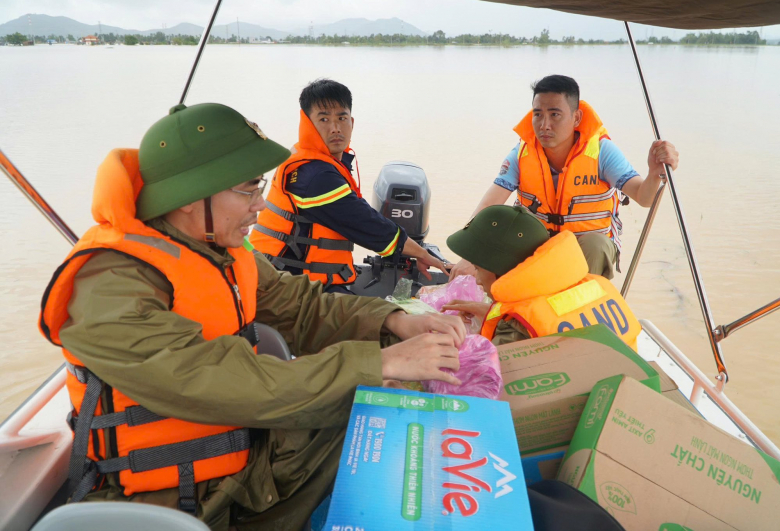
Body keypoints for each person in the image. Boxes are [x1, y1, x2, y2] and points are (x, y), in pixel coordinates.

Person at [39, 102, 466, 531]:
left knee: (388, 407)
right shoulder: (110, 287)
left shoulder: (219, 248)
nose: (261, 205)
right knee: (376, 390)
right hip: (176, 502)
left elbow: (300, 305)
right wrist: (380, 363)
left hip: (244, 459)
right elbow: (220, 380)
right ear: (191, 197)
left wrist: (392, 320)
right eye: (247, 190)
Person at [450, 74, 679, 280]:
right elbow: (490, 204)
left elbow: (643, 197)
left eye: (555, 115)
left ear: (576, 118)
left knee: (595, 242)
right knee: (502, 237)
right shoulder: (522, 154)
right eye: (537, 114)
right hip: (537, 246)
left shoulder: (602, 152)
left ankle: (582, 314)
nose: (544, 125)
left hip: (587, 250)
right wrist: (470, 256)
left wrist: (653, 172)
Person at [249, 79, 449, 294]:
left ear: (351, 122)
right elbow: (366, 225)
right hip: (282, 287)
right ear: (307, 123)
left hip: (297, 281)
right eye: (324, 119)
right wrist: (422, 254)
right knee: (385, 320)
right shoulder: (314, 175)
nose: (335, 128)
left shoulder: (314, 159)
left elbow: (357, 213)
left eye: (341, 118)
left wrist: (412, 251)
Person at [442, 205, 641, 350]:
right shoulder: (597, 286)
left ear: (499, 270)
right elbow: (553, 314)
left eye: (478, 269)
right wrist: (491, 313)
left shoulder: (518, 329)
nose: (476, 280)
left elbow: (484, 380)